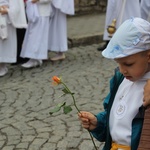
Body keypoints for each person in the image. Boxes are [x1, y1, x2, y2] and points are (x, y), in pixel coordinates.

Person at [78, 17, 150, 150]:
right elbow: (114, 114)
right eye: (119, 63)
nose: (123, 70)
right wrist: (98, 123)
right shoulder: (120, 80)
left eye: (128, 64)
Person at [20, 0, 52, 68]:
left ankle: (36, 58)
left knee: (37, 36)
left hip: (42, 12)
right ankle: (34, 58)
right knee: (32, 35)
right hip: (33, 11)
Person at [0, 0, 27, 76]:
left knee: (4, 44)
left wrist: (8, 10)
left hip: (6, 19)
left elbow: (16, 7)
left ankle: (2, 66)